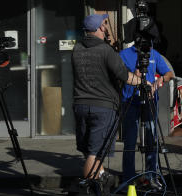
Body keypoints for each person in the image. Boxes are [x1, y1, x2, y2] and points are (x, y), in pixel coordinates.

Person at [72, 13, 143, 182]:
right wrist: (142, 81)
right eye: (103, 25)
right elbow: (125, 76)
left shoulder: (77, 49)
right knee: (94, 153)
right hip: (103, 107)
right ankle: (89, 194)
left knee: (90, 149)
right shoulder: (105, 50)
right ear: (98, 29)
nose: (105, 28)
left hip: (80, 105)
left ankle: (98, 184)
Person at [118, 39, 175, 187]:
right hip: (130, 102)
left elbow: (169, 73)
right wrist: (133, 75)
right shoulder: (123, 55)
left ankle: (152, 177)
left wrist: (161, 79)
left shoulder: (154, 54)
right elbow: (116, 75)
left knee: (152, 139)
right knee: (130, 141)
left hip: (149, 101)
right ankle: (128, 178)